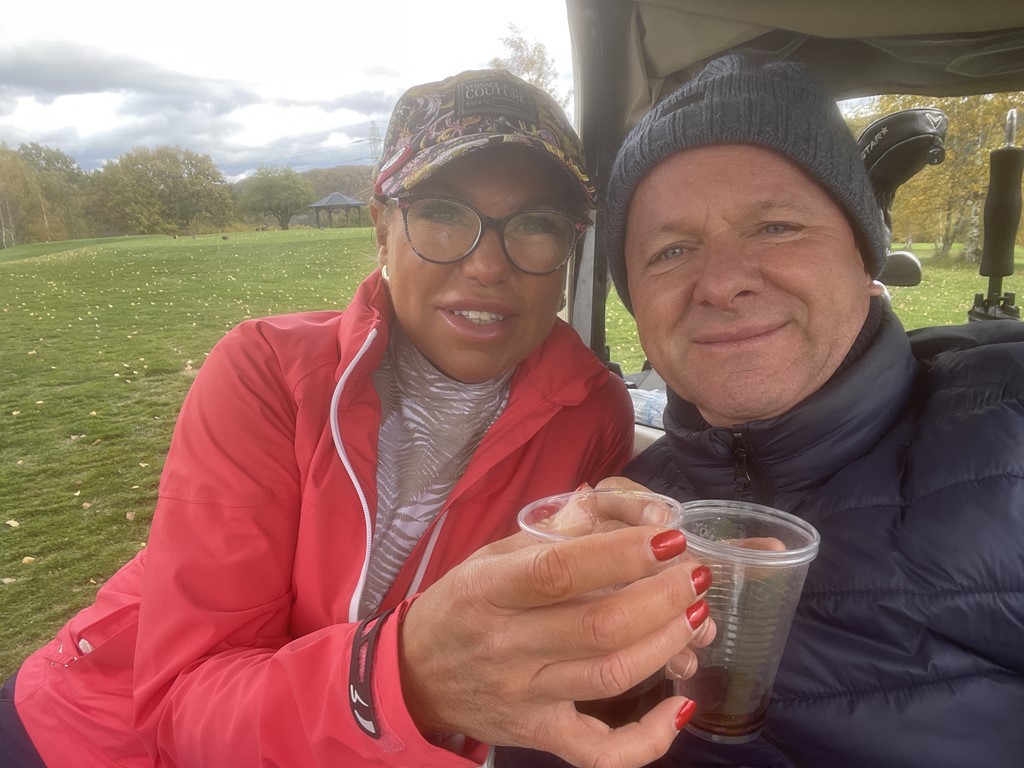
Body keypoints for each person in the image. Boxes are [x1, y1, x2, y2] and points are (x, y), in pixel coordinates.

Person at [0, 69, 716, 768]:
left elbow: (522, 654)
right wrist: (401, 679)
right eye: (442, 212)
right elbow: (183, 714)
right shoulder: (267, 372)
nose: (488, 266)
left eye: (536, 224)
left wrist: (613, 605)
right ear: (381, 229)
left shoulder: (591, 412)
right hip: (86, 735)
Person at [498, 53, 1024, 768]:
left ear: (864, 255)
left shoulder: (1005, 439)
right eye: (671, 250)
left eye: (776, 227)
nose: (721, 283)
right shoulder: (628, 511)